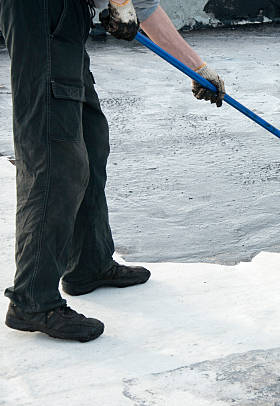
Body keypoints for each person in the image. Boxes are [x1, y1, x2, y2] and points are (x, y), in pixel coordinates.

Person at [0, 0, 225, 342]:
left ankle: (89, 263)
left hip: (65, 16)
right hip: (41, 10)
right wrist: (119, 3)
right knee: (55, 154)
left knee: (90, 138)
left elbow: (144, 6)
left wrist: (198, 68)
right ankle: (33, 299)